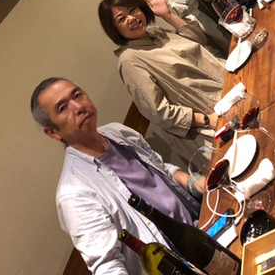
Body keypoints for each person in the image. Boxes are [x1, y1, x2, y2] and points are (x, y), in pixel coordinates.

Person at [30, 77, 200, 275]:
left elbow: (162, 169)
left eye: (77, 95)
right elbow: (106, 265)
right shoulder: (73, 194)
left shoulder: (117, 131)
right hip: (180, 267)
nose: (78, 107)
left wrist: (193, 182)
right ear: (53, 133)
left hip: (201, 231)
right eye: (63, 108)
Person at [98, 0, 225, 158]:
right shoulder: (129, 60)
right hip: (214, 114)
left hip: (228, 85)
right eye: (121, 19)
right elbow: (158, 111)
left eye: (132, 10)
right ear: (114, 29)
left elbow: (199, 39)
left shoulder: (155, 33)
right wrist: (208, 120)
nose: (132, 18)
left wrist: (167, 15)